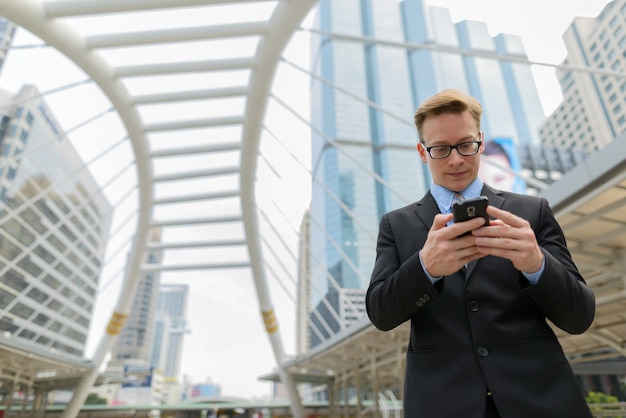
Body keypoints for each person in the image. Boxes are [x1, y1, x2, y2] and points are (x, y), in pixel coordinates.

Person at [365, 89, 595, 418]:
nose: (456, 159)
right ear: (422, 152)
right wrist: (425, 267)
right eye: (441, 149)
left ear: (481, 142)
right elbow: (380, 314)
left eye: (465, 145)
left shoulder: (532, 213)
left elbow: (580, 317)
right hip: (443, 405)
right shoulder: (396, 225)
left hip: (542, 401)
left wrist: (537, 265)